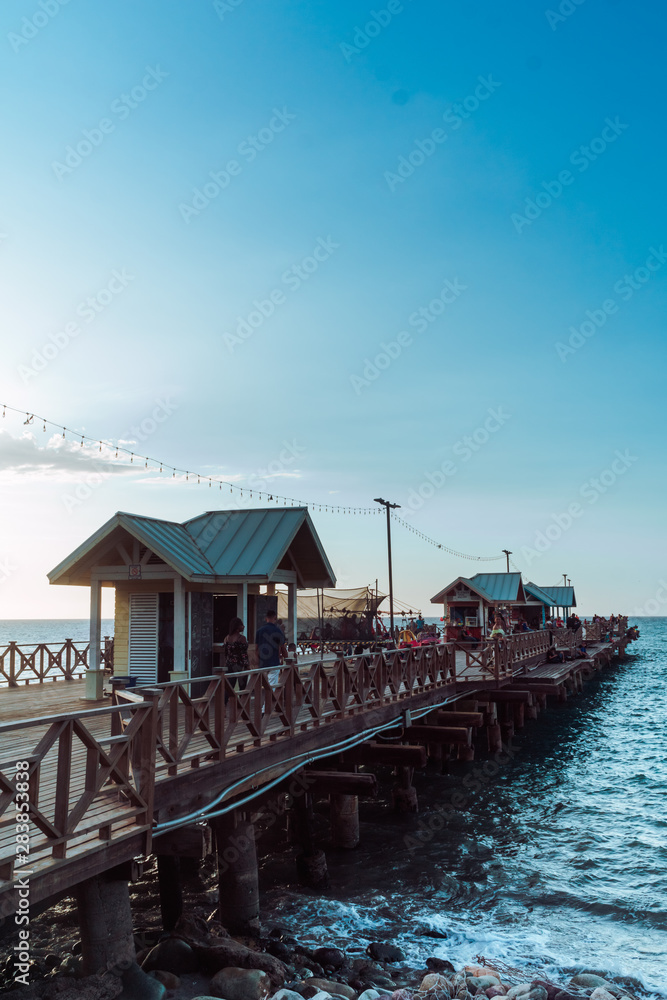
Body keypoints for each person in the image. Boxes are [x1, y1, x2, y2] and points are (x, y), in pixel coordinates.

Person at [255, 610, 287, 687]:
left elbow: (256, 649)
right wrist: (287, 659)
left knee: (263, 684)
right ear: (275, 618)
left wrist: (257, 662)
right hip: (274, 662)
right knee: (272, 685)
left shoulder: (259, 631)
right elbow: (282, 647)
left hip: (262, 662)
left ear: (266, 618)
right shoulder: (278, 631)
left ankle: (263, 698)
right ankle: (270, 698)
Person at [223, 617, 249, 693]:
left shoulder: (226, 638)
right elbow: (244, 654)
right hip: (240, 666)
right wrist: (247, 666)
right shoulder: (242, 638)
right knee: (242, 688)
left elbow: (226, 653)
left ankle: (224, 704)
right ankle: (242, 704)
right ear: (237, 627)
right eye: (242, 625)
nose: (243, 626)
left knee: (228, 688)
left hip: (229, 665)